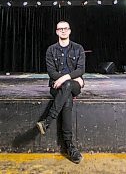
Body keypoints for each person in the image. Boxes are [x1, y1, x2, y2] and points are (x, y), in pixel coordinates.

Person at [36, 20, 85, 164]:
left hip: (74, 85)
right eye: (60, 29)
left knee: (69, 85)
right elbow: (51, 72)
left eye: (65, 28)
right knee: (67, 99)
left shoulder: (78, 48)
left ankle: (47, 121)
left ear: (69, 31)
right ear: (56, 32)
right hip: (56, 87)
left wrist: (67, 77)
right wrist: (70, 78)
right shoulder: (51, 50)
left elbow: (81, 69)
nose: (63, 31)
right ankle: (69, 146)